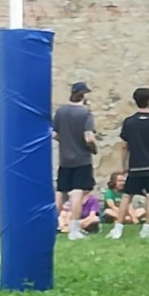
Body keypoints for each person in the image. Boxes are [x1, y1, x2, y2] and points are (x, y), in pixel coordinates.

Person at [108, 88, 149, 240]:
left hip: (135, 166)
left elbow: (124, 146)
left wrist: (123, 165)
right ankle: (146, 229)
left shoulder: (129, 122)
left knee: (127, 196)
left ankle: (118, 229)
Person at [53, 81, 98, 241]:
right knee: (77, 192)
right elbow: (89, 137)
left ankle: (52, 226)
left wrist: (66, 143)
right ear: (84, 95)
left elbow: (55, 134)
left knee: (61, 192)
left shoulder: (61, 111)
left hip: (64, 160)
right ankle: (74, 230)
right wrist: (93, 148)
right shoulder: (85, 113)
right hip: (81, 159)